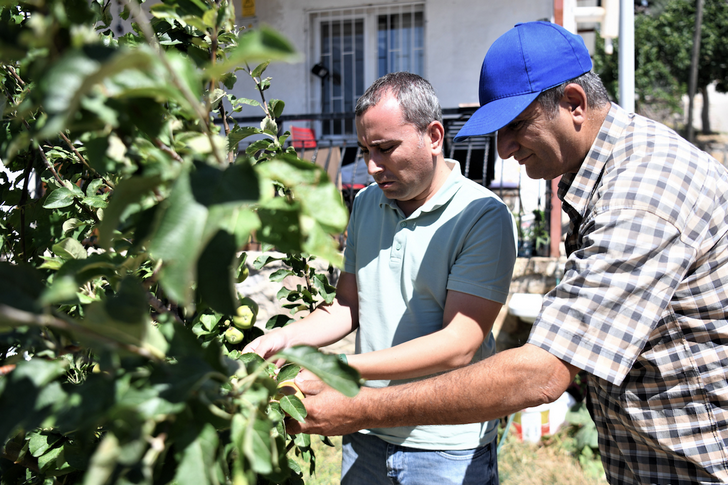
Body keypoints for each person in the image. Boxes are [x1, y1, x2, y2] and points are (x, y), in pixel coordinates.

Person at [287, 21, 728, 485]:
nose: (504, 148)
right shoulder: (606, 175)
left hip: (697, 464)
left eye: (516, 125)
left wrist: (354, 403)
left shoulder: (643, 194)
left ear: (574, 104)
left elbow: (540, 374)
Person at [244, 72, 518, 484]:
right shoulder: (369, 204)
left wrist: (339, 369)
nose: (371, 166)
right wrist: (286, 338)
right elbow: (346, 305)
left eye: (386, 148)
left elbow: (458, 345)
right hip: (366, 430)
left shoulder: (481, 216)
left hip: (444, 442)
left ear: (434, 136)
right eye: (365, 149)